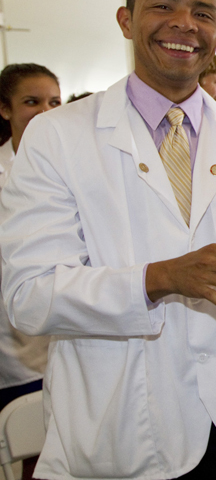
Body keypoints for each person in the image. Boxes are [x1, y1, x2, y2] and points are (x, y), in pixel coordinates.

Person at [0, 0, 216, 480]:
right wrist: (159, 278)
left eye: (203, 13)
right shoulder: (58, 137)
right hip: (123, 429)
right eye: (163, 6)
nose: (185, 23)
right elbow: (28, 296)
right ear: (126, 20)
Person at [0, 63, 62, 480]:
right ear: (5, 109)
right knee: (29, 453)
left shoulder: (70, 165)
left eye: (54, 102)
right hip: (16, 344)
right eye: (31, 101)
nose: (45, 111)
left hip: (69, 336)